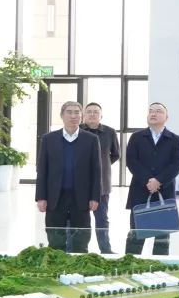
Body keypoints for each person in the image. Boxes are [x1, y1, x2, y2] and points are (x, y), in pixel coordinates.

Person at [35, 101, 102, 253]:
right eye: (69, 112)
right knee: (55, 240)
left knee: (81, 240)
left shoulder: (91, 139)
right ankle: (56, 265)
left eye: (77, 112)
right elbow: (42, 170)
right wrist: (41, 197)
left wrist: (95, 197)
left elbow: (96, 171)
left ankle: (80, 264)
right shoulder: (48, 139)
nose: (73, 116)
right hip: (55, 197)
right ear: (62, 115)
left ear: (81, 116)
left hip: (81, 197)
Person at [124, 102, 179, 256]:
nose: (153, 113)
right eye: (151, 111)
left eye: (158, 111)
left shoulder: (175, 139)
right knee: (136, 235)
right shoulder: (137, 137)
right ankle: (131, 264)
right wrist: (148, 180)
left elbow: (176, 165)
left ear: (166, 117)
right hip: (140, 190)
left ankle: (159, 265)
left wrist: (158, 181)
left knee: (162, 239)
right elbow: (131, 161)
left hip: (164, 192)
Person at [81, 102, 120, 254]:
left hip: (102, 183)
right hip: (81, 183)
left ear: (101, 115)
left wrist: (101, 166)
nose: (92, 114)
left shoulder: (110, 132)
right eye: (89, 111)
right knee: (80, 219)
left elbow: (115, 154)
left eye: (96, 112)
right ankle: (78, 250)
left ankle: (106, 250)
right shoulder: (78, 130)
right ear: (84, 115)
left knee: (102, 218)